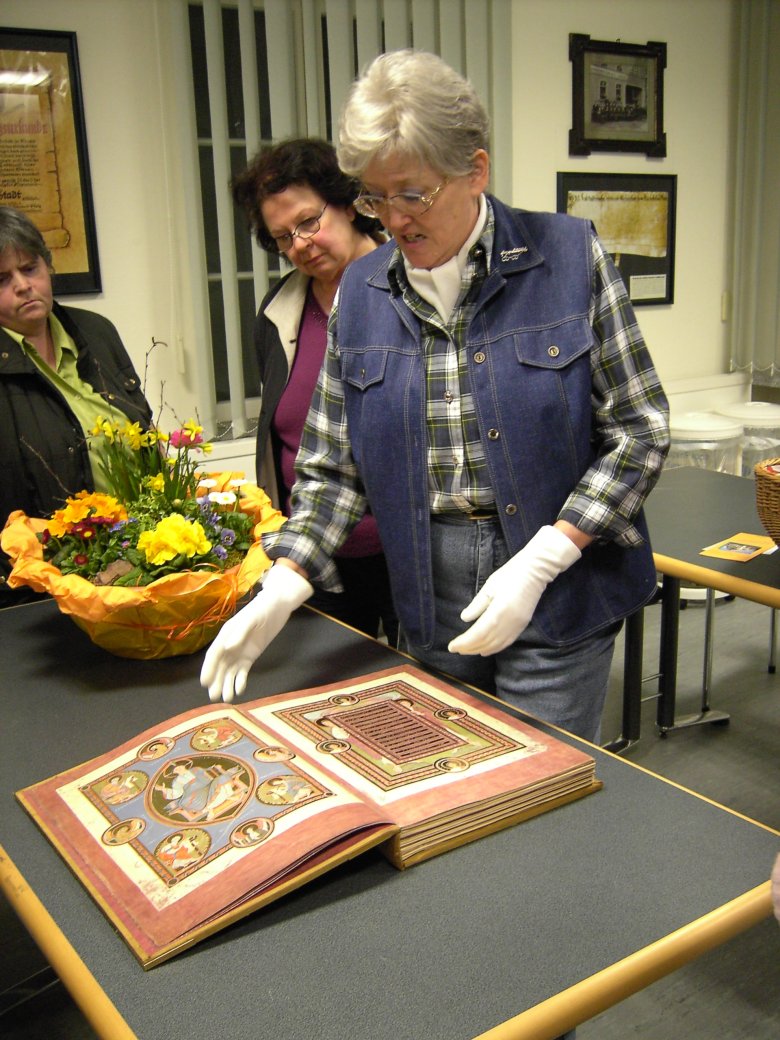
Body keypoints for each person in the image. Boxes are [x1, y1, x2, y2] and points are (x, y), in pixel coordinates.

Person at [201, 50, 670, 747]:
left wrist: (546, 557)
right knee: (448, 790)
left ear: (474, 170)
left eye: (411, 194)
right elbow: (333, 470)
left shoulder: (569, 258)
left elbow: (640, 430)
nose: (392, 220)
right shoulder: (361, 295)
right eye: (372, 197)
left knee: (536, 789)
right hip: (427, 587)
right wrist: (285, 580)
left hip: (562, 584)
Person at [230, 138, 398, 644]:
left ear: (348, 204)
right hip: (313, 557)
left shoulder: (411, 286)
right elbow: (281, 424)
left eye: (309, 222)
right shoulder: (278, 310)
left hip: (404, 552)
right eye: (283, 237)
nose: (299, 244)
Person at [0, 206, 153, 606]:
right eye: (2, 279)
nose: (22, 286)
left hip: (139, 565)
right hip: (42, 590)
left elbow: (143, 431)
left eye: (30, 269)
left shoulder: (95, 331)